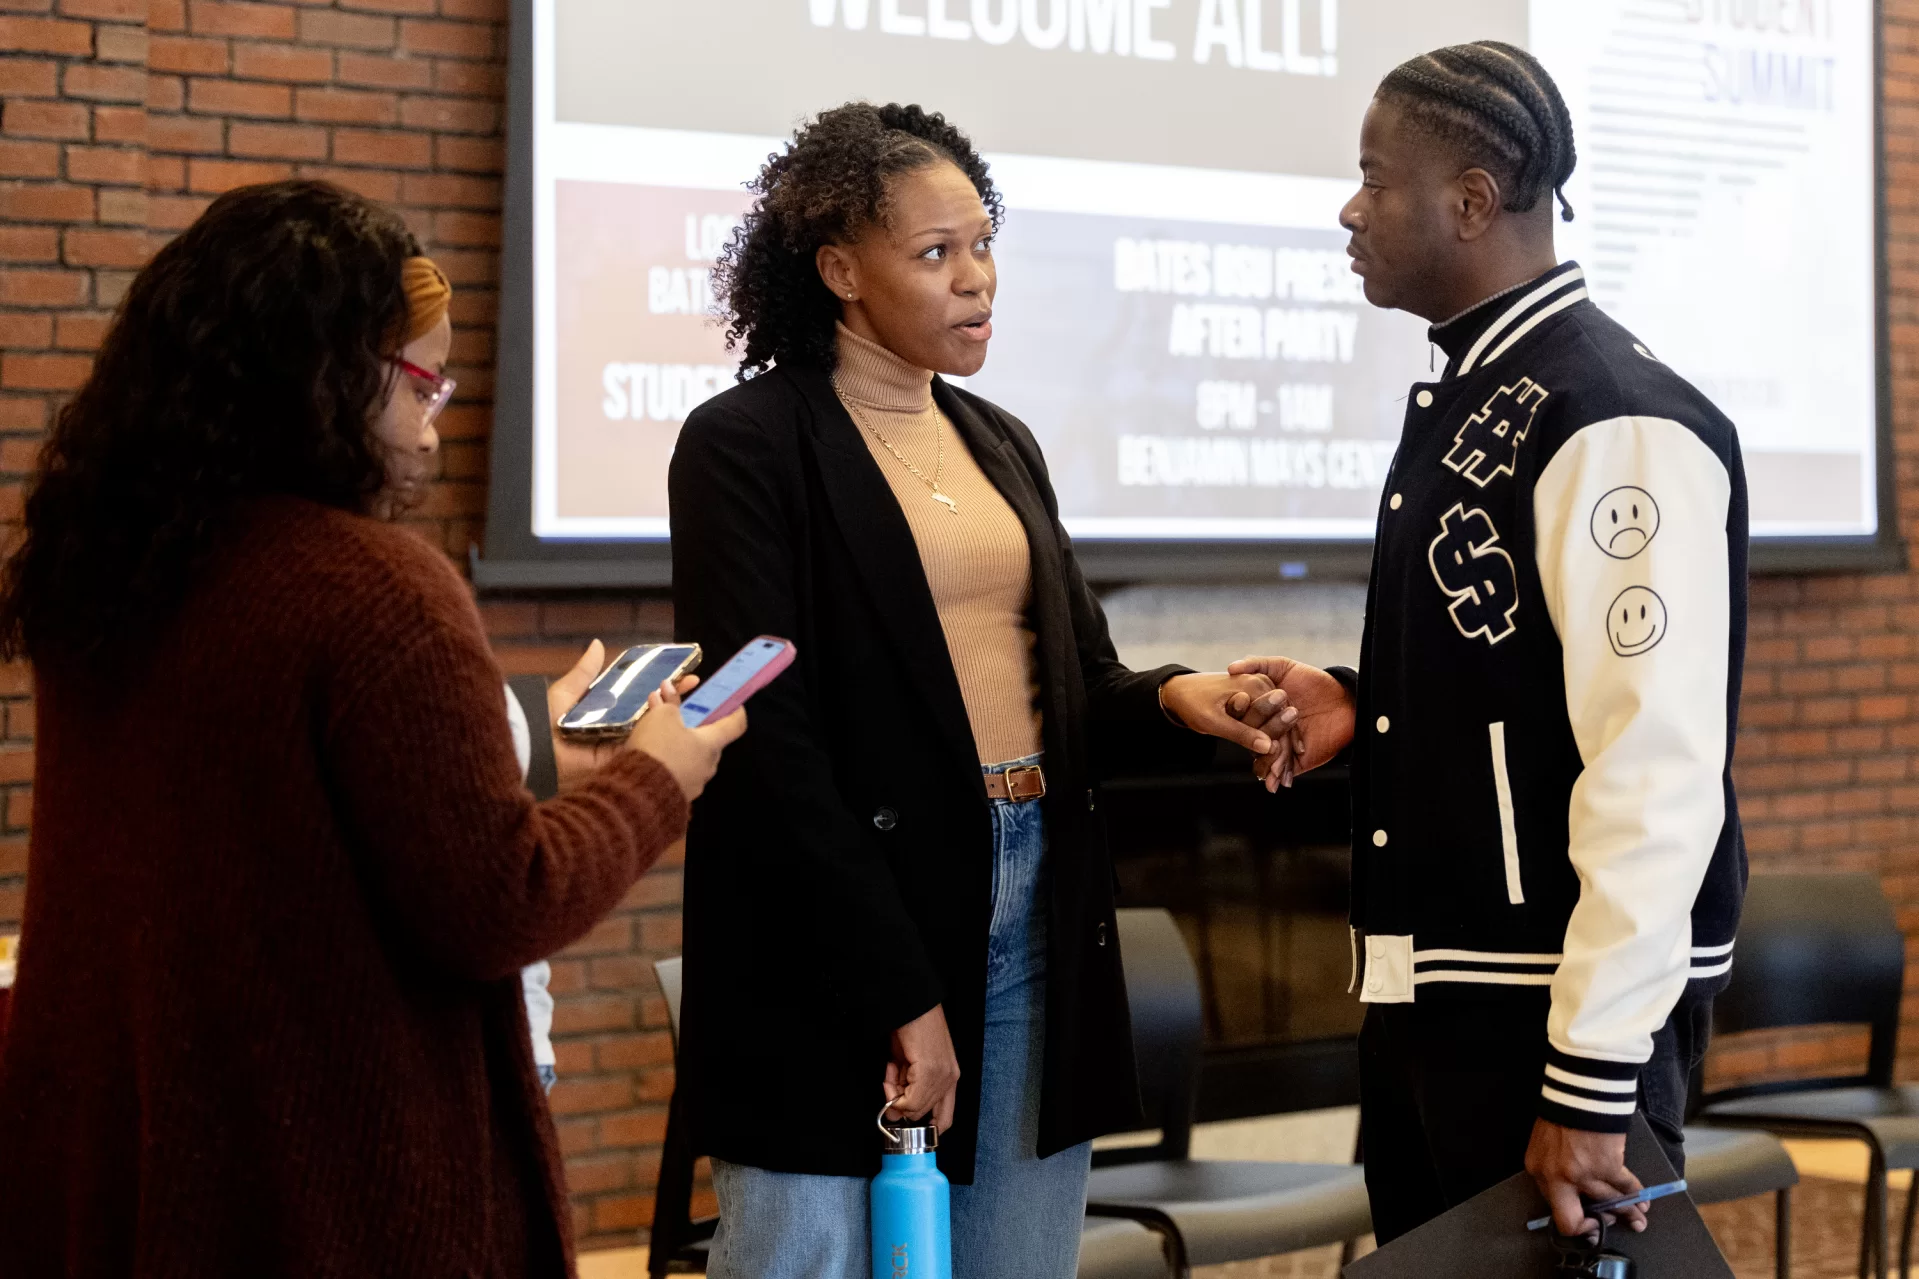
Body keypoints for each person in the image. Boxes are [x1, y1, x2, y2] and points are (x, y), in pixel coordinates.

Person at [0, 180, 744, 1276]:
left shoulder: (111, 568)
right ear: (327, 376)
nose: (434, 424)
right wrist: (655, 777)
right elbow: (500, 900)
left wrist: (554, 771)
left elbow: (297, 845)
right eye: (423, 382)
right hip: (335, 1186)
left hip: (140, 1166)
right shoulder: (377, 589)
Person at [669, 102, 1296, 1279]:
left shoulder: (998, 440)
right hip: (836, 927)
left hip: (1030, 903)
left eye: (983, 244)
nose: (977, 280)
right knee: (816, 1256)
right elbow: (769, 744)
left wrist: (1176, 697)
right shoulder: (744, 443)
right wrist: (901, 989)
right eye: (935, 254)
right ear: (840, 270)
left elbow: (1075, 680)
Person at [1231, 42, 1749, 1243]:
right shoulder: (1479, 388)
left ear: (1470, 200)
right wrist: (1363, 705)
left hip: (1543, 1018)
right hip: (1444, 997)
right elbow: (1522, 676)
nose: (1348, 209)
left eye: (1372, 178)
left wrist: (1590, 1076)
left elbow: (1651, 768)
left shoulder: (1611, 416)